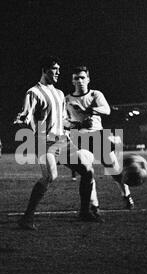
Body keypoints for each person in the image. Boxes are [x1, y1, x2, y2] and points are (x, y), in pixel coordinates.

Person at [14, 56, 102, 230]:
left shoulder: (60, 93)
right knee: (50, 177)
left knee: (87, 170)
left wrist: (79, 124)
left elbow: (63, 121)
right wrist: (22, 119)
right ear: (44, 70)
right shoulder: (34, 92)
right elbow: (26, 115)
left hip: (63, 141)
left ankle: (84, 212)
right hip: (44, 142)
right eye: (54, 69)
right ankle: (27, 218)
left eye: (59, 69)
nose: (58, 72)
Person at [66, 66, 135, 212]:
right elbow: (63, 121)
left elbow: (107, 109)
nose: (80, 81)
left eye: (83, 77)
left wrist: (90, 110)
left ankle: (126, 195)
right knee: (88, 172)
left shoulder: (95, 94)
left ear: (88, 79)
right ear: (72, 81)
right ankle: (94, 206)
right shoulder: (66, 99)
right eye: (76, 78)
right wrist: (77, 124)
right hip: (79, 138)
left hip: (98, 136)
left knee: (115, 171)